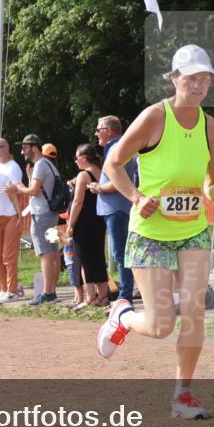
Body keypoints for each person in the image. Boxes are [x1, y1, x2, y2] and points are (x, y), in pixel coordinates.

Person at [96, 44, 214, 420]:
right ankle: (121, 318)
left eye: (205, 78)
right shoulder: (154, 117)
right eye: (192, 78)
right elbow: (113, 163)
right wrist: (135, 196)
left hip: (193, 229)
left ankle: (182, 395)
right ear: (175, 78)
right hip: (151, 233)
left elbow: (210, 187)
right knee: (161, 325)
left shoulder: (210, 124)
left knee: (194, 310)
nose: (199, 85)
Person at [6, 135, 61, 306]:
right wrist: (28, 182)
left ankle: (46, 293)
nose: (22, 152)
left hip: (41, 215)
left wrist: (17, 188)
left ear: (34, 148)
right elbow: (39, 188)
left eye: (24, 148)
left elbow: (34, 191)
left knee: (44, 254)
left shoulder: (40, 165)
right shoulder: (49, 164)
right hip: (51, 213)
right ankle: (51, 292)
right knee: (52, 253)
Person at [89, 115, 138, 306]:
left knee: (121, 253)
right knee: (120, 253)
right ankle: (125, 294)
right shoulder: (116, 148)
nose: (96, 134)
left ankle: (125, 296)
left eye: (98, 129)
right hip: (115, 208)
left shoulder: (117, 148)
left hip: (117, 208)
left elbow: (120, 182)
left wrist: (99, 188)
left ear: (109, 131)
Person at [68, 143, 109, 309]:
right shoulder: (101, 172)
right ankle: (103, 295)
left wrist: (70, 224)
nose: (76, 162)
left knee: (85, 259)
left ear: (84, 158)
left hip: (84, 221)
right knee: (98, 257)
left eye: (77, 158)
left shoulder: (83, 175)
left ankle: (91, 296)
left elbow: (78, 201)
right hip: (99, 219)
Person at [0, 138, 24, 301]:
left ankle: (12, 290)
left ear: (7, 148)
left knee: (8, 256)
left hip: (11, 214)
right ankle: (4, 288)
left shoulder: (13, 167)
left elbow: (17, 190)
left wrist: (19, 215)